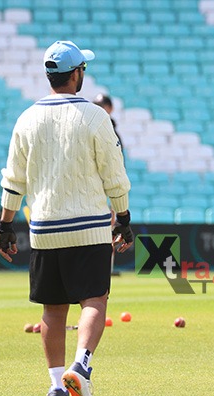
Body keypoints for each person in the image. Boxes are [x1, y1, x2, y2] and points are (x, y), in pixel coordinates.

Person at [0, 40, 133, 396]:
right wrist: (123, 217)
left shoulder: (26, 118)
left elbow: (13, 179)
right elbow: (114, 176)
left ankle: (57, 389)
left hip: (43, 228)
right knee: (94, 299)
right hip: (88, 227)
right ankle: (81, 367)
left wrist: (5, 225)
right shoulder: (95, 116)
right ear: (76, 74)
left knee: (52, 310)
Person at [93, 93, 123, 277]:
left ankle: (106, 268)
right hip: (95, 185)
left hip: (107, 185)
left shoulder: (110, 129)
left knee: (108, 229)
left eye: (102, 105)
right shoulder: (93, 125)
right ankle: (100, 268)